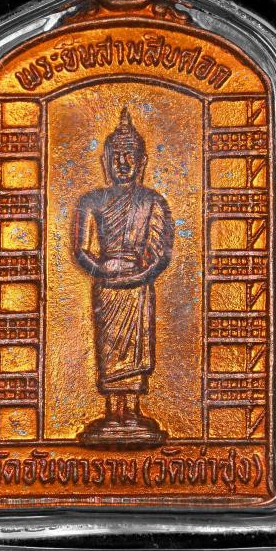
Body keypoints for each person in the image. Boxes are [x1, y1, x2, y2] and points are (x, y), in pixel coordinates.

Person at [73, 107, 174, 446]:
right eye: (116, 156)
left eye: (130, 155)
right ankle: (111, 410)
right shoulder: (92, 201)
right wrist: (102, 269)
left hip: (137, 285)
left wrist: (141, 274)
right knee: (109, 347)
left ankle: (131, 410)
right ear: (106, 160)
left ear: (142, 161)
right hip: (107, 284)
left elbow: (162, 252)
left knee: (136, 347)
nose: (123, 162)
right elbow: (80, 250)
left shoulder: (152, 201)